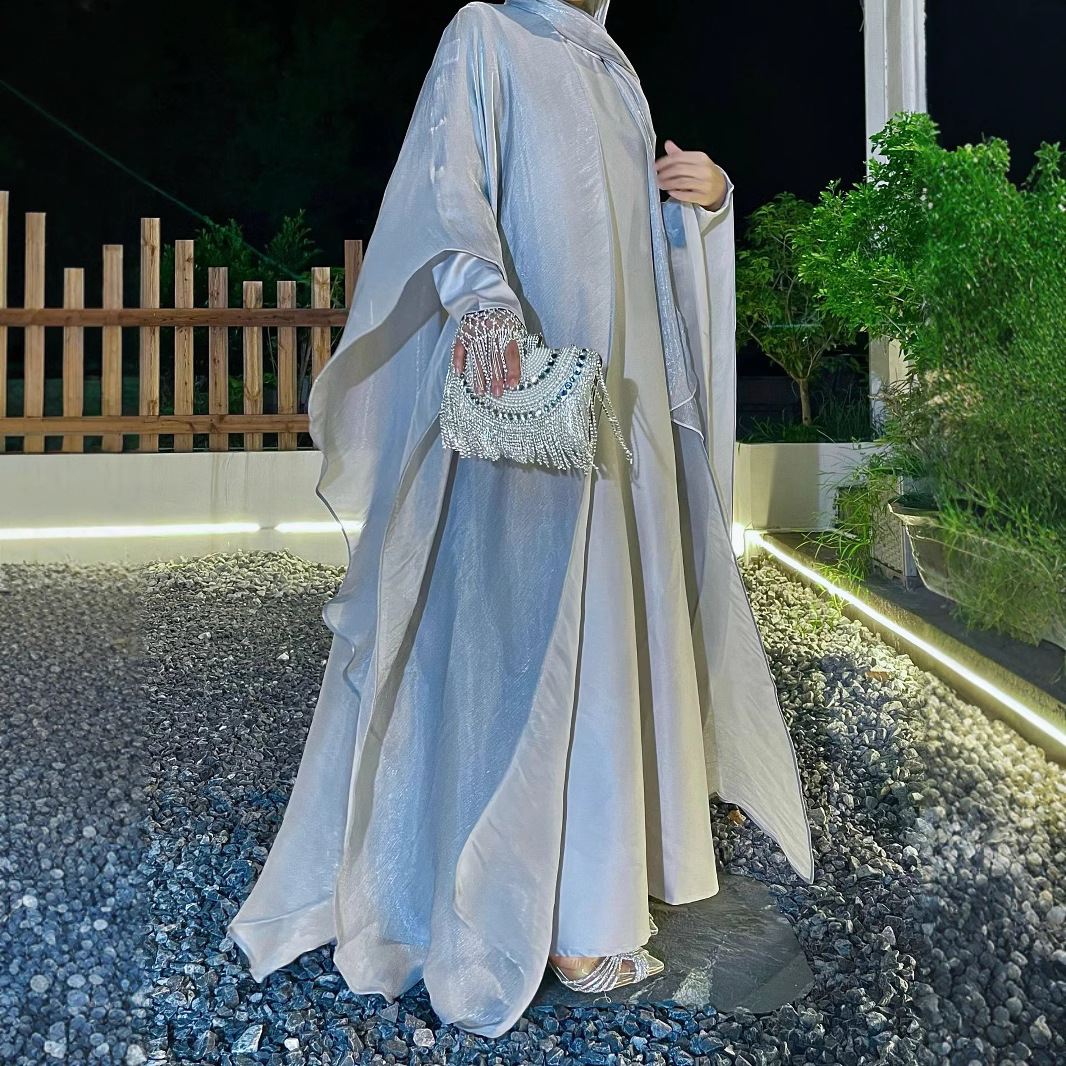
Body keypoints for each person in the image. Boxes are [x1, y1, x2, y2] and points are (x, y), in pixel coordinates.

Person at [227, 0, 815, 1038]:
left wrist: (705, 207)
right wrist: (483, 299)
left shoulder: (616, 73)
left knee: (613, 625)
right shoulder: (485, 36)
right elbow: (446, 189)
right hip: (532, 393)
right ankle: (555, 910)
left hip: (624, 402)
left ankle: (615, 871)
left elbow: (637, 249)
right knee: (531, 637)